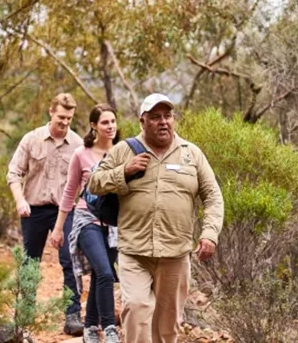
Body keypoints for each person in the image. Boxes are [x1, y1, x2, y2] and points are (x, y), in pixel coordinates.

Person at [88, 93, 224, 343]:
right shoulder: (124, 150)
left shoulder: (191, 154)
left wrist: (209, 234)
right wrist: (123, 172)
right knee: (136, 309)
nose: (163, 122)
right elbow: (93, 183)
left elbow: (213, 195)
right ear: (143, 121)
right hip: (134, 250)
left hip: (175, 253)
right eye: (155, 117)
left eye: (167, 116)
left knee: (167, 326)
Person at [6, 92, 84, 336]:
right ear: (51, 112)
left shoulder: (78, 144)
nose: (64, 122)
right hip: (34, 210)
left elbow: (86, 179)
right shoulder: (32, 139)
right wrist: (20, 201)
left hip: (66, 210)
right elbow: (13, 173)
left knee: (70, 261)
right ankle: (24, 316)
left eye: (69, 118)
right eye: (61, 117)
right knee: (30, 262)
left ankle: (72, 316)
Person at [49, 104, 121, 343]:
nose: (110, 127)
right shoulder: (81, 154)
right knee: (105, 273)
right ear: (93, 126)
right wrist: (59, 227)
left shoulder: (122, 151)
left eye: (113, 122)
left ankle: (90, 327)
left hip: (113, 225)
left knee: (102, 275)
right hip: (86, 219)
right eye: (105, 123)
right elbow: (70, 191)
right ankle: (109, 328)